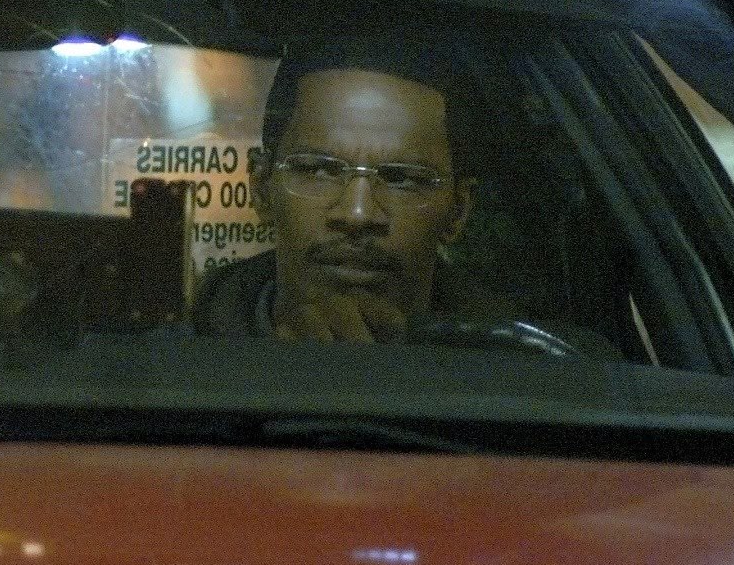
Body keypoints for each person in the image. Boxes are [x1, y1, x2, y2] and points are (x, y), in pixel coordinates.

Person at [192, 43, 518, 343]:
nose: (357, 214)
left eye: (402, 179)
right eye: (318, 170)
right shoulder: (179, 354)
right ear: (262, 188)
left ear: (458, 209)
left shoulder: (516, 364)